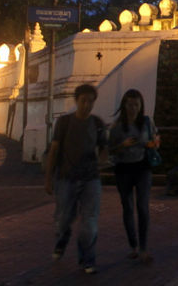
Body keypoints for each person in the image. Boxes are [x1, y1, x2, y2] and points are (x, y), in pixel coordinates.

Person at [44, 83, 108, 274]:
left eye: (91, 101)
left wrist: (102, 159)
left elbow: (104, 148)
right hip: (66, 178)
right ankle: (62, 241)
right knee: (64, 220)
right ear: (76, 101)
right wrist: (49, 178)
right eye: (83, 101)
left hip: (91, 179)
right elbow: (54, 150)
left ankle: (87, 260)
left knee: (89, 222)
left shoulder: (97, 124)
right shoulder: (64, 123)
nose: (87, 105)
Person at [108, 89, 160, 264]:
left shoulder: (146, 122)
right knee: (127, 207)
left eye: (136, 104)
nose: (133, 108)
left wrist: (153, 143)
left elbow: (156, 140)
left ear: (141, 106)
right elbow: (110, 149)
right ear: (124, 105)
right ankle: (133, 245)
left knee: (143, 207)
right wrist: (122, 145)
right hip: (123, 168)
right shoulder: (116, 127)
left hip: (142, 167)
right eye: (130, 104)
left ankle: (144, 247)